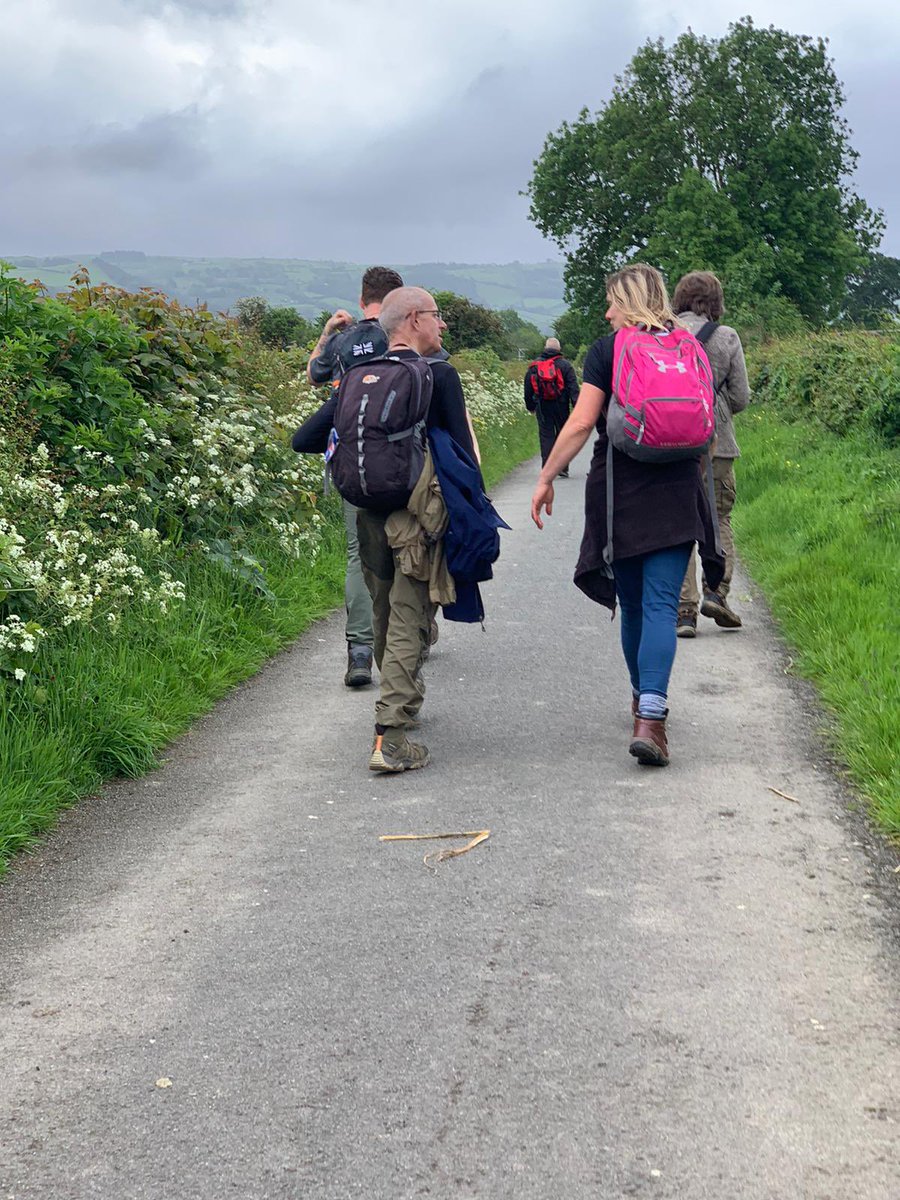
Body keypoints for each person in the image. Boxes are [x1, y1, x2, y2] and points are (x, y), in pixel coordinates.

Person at [530, 263, 723, 767]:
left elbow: (580, 423)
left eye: (613, 301)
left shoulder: (608, 350)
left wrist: (547, 476)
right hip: (679, 487)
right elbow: (706, 427)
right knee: (662, 602)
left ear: (629, 301)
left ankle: (644, 700)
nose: (608, 311)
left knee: (635, 604)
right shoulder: (690, 347)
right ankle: (651, 717)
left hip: (621, 489)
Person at [356, 287, 477, 774]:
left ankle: (401, 701)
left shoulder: (360, 374)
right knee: (409, 616)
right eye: (436, 316)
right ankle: (391, 737)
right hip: (417, 515)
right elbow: (462, 455)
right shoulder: (438, 375)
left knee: (385, 611)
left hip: (366, 510)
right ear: (412, 320)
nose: (442, 325)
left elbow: (308, 437)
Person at [292, 266, 403, 688]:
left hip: (350, 461)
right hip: (400, 462)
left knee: (360, 555)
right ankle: (405, 642)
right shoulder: (401, 334)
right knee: (407, 546)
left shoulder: (344, 340)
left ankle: (359, 653)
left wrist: (326, 332)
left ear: (361, 300)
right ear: (400, 299)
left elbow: (313, 375)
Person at [671, 272, 751, 637]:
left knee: (681, 523)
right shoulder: (727, 337)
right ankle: (716, 593)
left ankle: (684, 612)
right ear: (715, 301)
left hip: (671, 444)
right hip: (717, 442)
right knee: (719, 519)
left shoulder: (663, 333)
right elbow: (740, 398)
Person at [524, 337, 579, 477]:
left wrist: (530, 406)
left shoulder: (534, 366)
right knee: (563, 434)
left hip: (542, 406)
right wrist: (577, 406)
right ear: (559, 350)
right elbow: (573, 388)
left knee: (546, 435)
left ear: (545, 348)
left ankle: (547, 468)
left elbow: (528, 388)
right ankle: (562, 467)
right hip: (561, 405)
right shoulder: (565, 365)